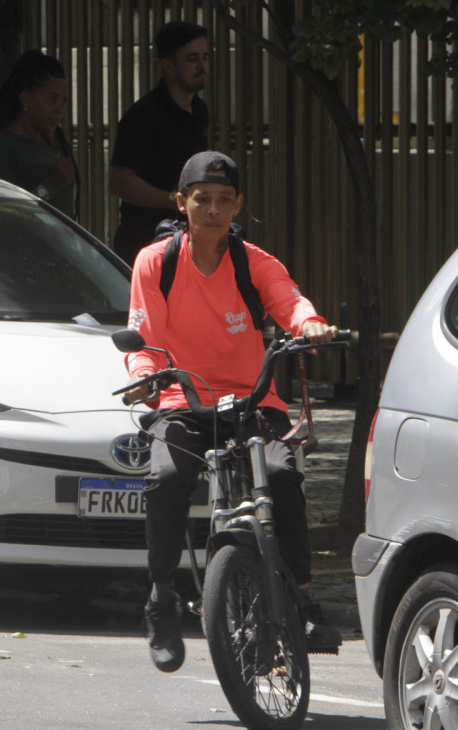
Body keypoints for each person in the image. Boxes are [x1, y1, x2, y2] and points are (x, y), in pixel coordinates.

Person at [123, 151, 343, 672]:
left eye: (225, 200)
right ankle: (161, 598)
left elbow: (290, 302)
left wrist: (309, 323)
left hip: (252, 400)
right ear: (182, 203)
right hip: (183, 399)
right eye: (203, 200)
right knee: (167, 476)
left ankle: (304, 599)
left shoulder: (254, 262)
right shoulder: (156, 262)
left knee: (283, 476)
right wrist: (142, 378)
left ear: (238, 204)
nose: (214, 210)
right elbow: (145, 339)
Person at [108, 21, 210, 264]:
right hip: (144, 242)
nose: (202, 66)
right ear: (168, 66)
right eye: (192, 59)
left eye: (205, 57)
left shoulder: (199, 110)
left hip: (186, 241)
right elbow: (120, 182)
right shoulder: (143, 115)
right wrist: (173, 200)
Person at [0, 51, 78, 218]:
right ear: (25, 99)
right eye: (51, 99)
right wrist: (49, 187)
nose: (59, 109)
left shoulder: (47, 144)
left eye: (64, 101)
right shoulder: (0, 150)